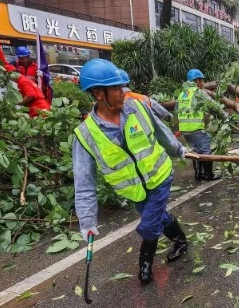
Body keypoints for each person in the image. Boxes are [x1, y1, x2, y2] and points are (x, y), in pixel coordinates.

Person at [72, 58, 189, 285]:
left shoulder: (136, 107)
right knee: (157, 217)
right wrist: (86, 221)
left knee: (149, 224)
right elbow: (84, 183)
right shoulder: (85, 135)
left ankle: (145, 265)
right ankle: (181, 240)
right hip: (135, 190)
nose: (124, 92)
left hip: (160, 177)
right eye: (117, 88)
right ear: (98, 93)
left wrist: (178, 150)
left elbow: (161, 131)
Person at [175, 69, 227, 181]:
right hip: (196, 128)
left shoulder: (182, 94)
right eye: (202, 80)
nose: (203, 83)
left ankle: (198, 174)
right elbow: (214, 106)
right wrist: (226, 117)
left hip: (184, 130)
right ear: (197, 81)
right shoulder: (199, 93)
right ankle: (208, 174)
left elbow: (176, 111)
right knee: (206, 150)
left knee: (196, 151)